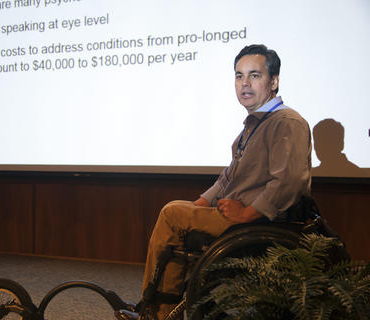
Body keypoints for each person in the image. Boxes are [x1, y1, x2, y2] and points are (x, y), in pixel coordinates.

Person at [116, 44, 312, 320]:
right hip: (237, 214)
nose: (244, 83)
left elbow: (288, 182)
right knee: (179, 209)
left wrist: (247, 212)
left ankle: (156, 313)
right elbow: (228, 177)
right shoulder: (254, 124)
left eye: (254, 75)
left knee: (172, 213)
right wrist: (202, 202)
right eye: (238, 75)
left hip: (261, 223)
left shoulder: (286, 122)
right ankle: (160, 307)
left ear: (274, 81)